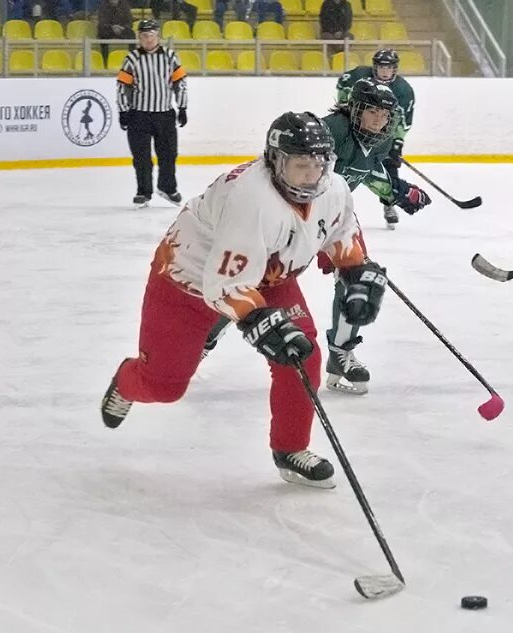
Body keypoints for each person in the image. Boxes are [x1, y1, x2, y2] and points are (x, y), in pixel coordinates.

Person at [100, 112, 390, 489]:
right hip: (186, 281)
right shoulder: (250, 198)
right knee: (164, 387)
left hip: (269, 275)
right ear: (275, 161)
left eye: (318, 165)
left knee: (303, 354)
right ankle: (127, 381)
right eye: (300, 166)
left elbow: (342, 232)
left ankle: (290, 448)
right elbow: (224, 286)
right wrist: (259, 322)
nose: (311, 176)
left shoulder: (333, 189)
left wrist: (355, 270)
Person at [201, 79, 431, 395]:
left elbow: (369, 171)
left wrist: (399, 193)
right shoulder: (332, 131)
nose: (379, 120)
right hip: (289, 214)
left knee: (357, 278)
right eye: (372, 111)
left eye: (384, 114)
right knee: (254, 281)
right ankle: (205, 335)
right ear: (355, 109)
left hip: (331, 215)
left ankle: (340, 352)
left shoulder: (376, 140)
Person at [336, 49, 415, 228]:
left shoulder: (404, 91)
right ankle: (335, 204)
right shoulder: (359, 76)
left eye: (388, 68)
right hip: (358, 128)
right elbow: (343, 84)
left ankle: (388, 205)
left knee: (390, 167)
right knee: (348, 165)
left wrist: (397, 143)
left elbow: (405, 121)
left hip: (385, 133)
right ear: (374, 67)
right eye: (381, 67)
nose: (384, 72)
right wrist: (344, 107)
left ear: (395, 69)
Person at [116, 20, 188, 208]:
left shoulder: (171, 57)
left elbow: (180, 84)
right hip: (139, 115)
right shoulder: (131, 59)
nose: (148, 39)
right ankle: (143, 192)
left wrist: (182, 107)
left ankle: (167, 187)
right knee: (141, 157)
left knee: (169, 154)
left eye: (151, 35)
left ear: (158, 36)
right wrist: (123, 111)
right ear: (139, 38)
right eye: (144, 36)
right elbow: (123, 87)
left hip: (164, 114)